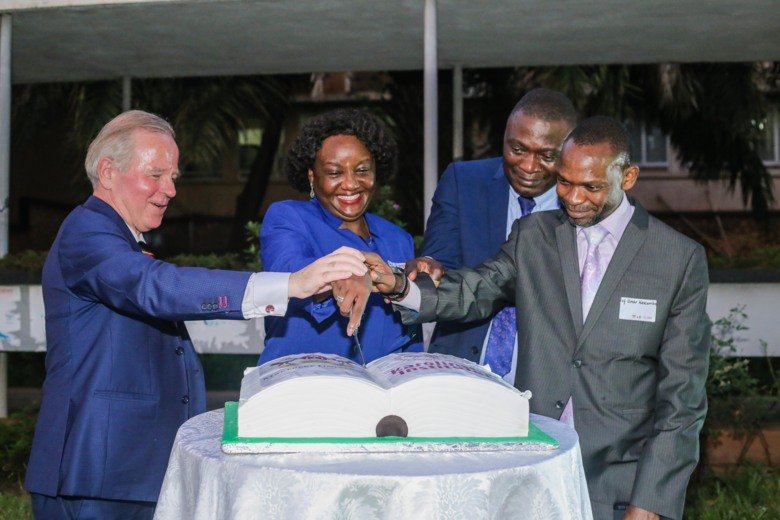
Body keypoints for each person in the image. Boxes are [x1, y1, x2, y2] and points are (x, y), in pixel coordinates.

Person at [24, 110, 368, 519]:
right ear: (108, 172)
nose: (169, 190)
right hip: (96, 474)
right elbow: (156, 287)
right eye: (155, 175)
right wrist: (289, 284)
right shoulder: (88, 232)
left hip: (125, 473)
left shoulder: (118, 239)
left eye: (173, 177)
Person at [368, 116, 710, 520]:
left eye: (592, 187)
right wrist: (400, 286)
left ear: (628, 177)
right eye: (565, 182)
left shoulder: (678, 258)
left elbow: (681, 398)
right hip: (533, 465)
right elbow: (476, 288)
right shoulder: (533, 235)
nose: (574, 198)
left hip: (621, 480)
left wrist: (651, 501)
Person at [411, 88, 577, 383]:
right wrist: (427, 267)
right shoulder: (464, 181)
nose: (528, 166)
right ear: (504, 137)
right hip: (460, 370)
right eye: (517, 149)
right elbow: (439, 262)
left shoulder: (583, 204)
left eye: (547, 156)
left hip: (550, 381)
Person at [258, 108, 423, 365]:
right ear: (312, 176)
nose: (350, 184)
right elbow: (287, 275)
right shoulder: (288, 217)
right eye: (335, 173)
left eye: (362, 170)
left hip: (381, 393)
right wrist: (349, 272)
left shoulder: (397, 238)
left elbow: (409, 330)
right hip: (302, 386)